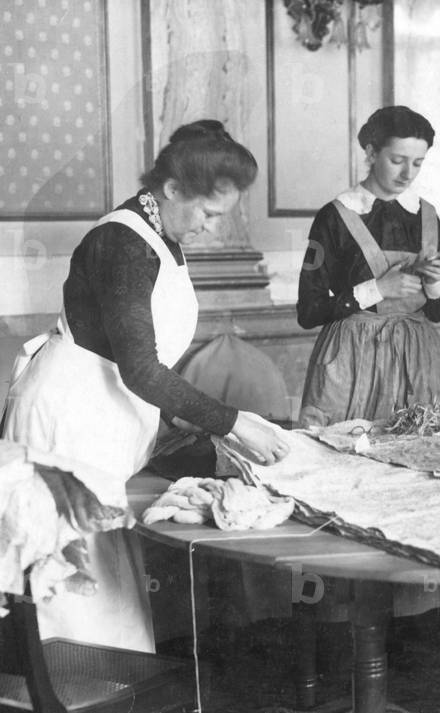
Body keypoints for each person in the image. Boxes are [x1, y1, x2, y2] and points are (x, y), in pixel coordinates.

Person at [1, 119, 291, 652]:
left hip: (96, 425)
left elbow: (137, 357)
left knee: (105, 599)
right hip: (65, 426)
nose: (210, 228)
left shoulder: (158, 234)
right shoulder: (122, 242)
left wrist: (190, 420)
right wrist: (233, 422)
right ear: (174, 188)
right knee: (73, 610)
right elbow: (138, 368)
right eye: (207, 213)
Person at [297, 106, 440, 426]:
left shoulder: (427, 216)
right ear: (371, 153)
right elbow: (309, 311)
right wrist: (378, 289)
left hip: (420, 362)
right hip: (351, 362)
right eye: (397, 161)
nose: (407, 174)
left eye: (418, 163)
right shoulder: (335, 216)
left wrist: (435, 282)